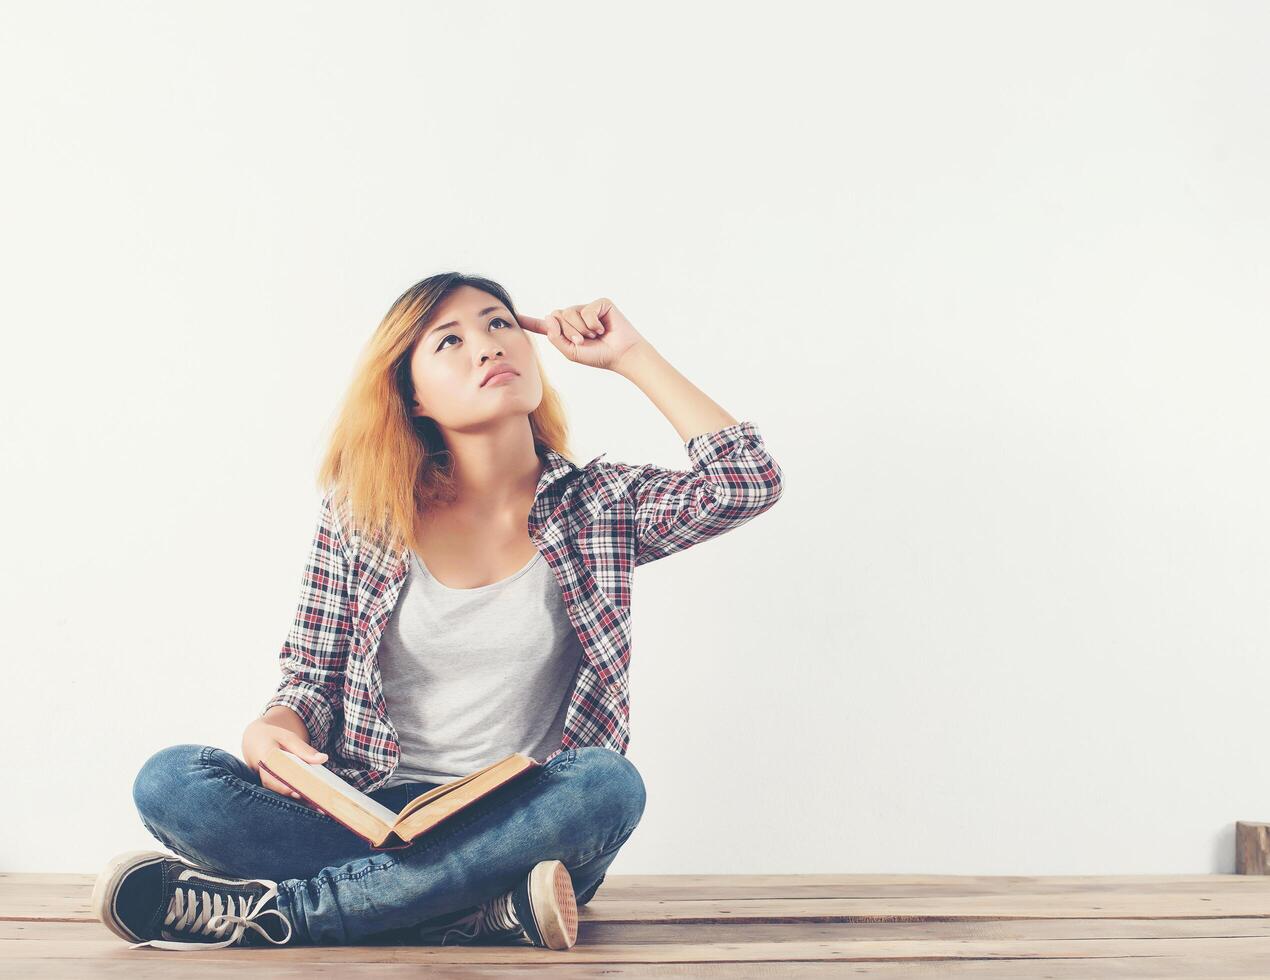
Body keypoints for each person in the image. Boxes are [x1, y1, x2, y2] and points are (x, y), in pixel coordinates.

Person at [92, 275, 785, 952]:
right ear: (412, 396)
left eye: (498, 323)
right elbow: (310, 674)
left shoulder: (598, 506)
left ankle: (295, 914)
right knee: (172, 781)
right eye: (448, 341)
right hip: (368, 817)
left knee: (607, 784)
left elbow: (747, 483)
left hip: (523, 823)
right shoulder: (363, 514)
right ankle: (475, 913)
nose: (486, 347)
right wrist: (276, 726)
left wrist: (630, 355)